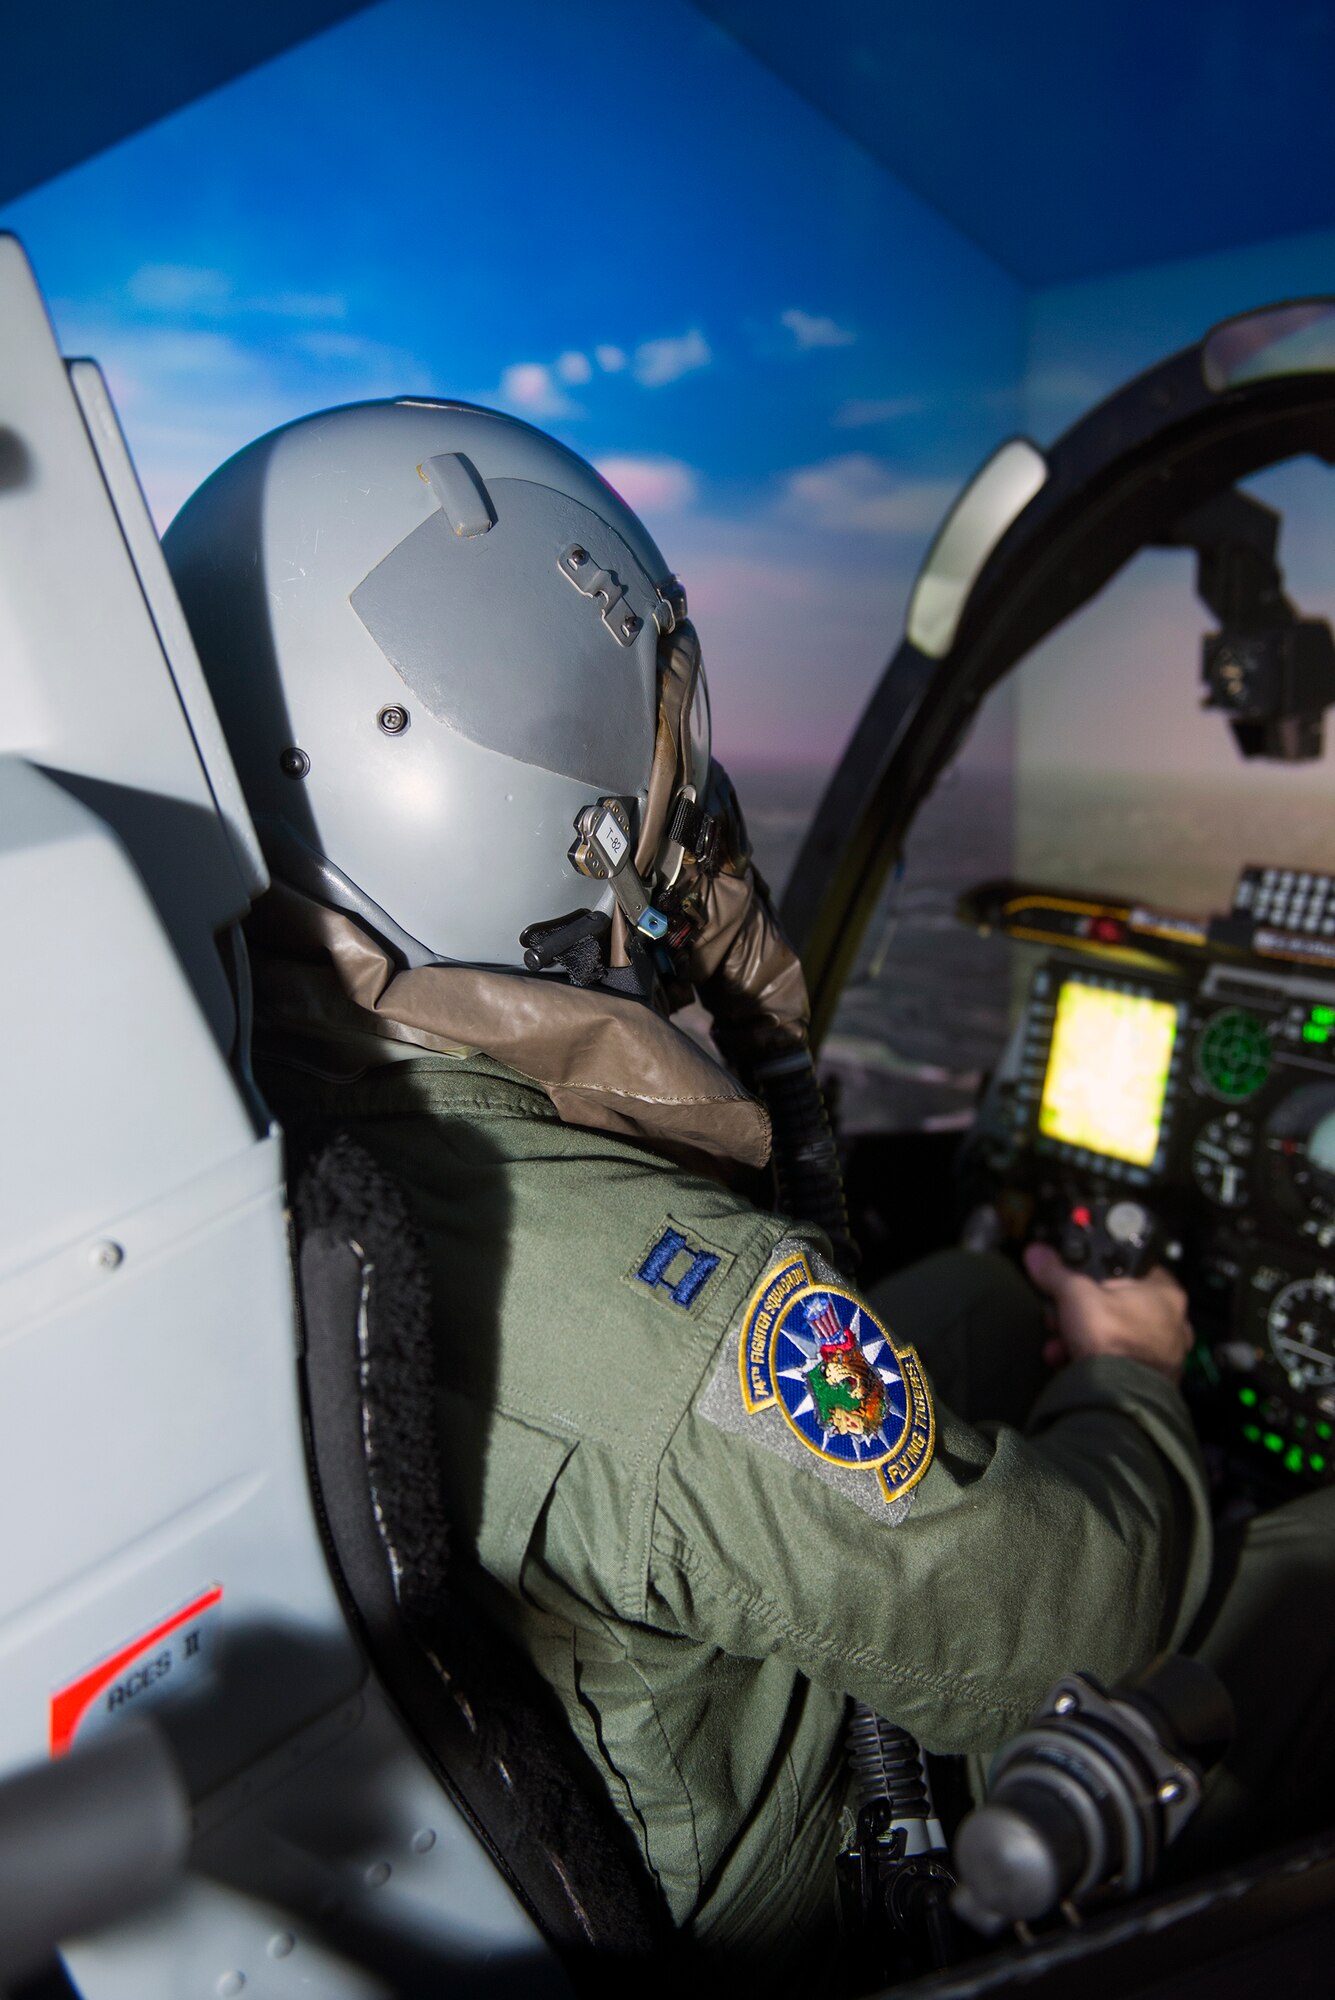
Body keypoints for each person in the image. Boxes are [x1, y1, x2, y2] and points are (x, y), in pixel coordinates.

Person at [163, 398, 1335, 1968]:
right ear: (540, 798)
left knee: (989, 1295)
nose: (678, 792)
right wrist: (1131, 1377)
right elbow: (1069, 1625)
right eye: (653, 736)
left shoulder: (289, 1088)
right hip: (783, 1877)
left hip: (611, 1671)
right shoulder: (653, 1311)